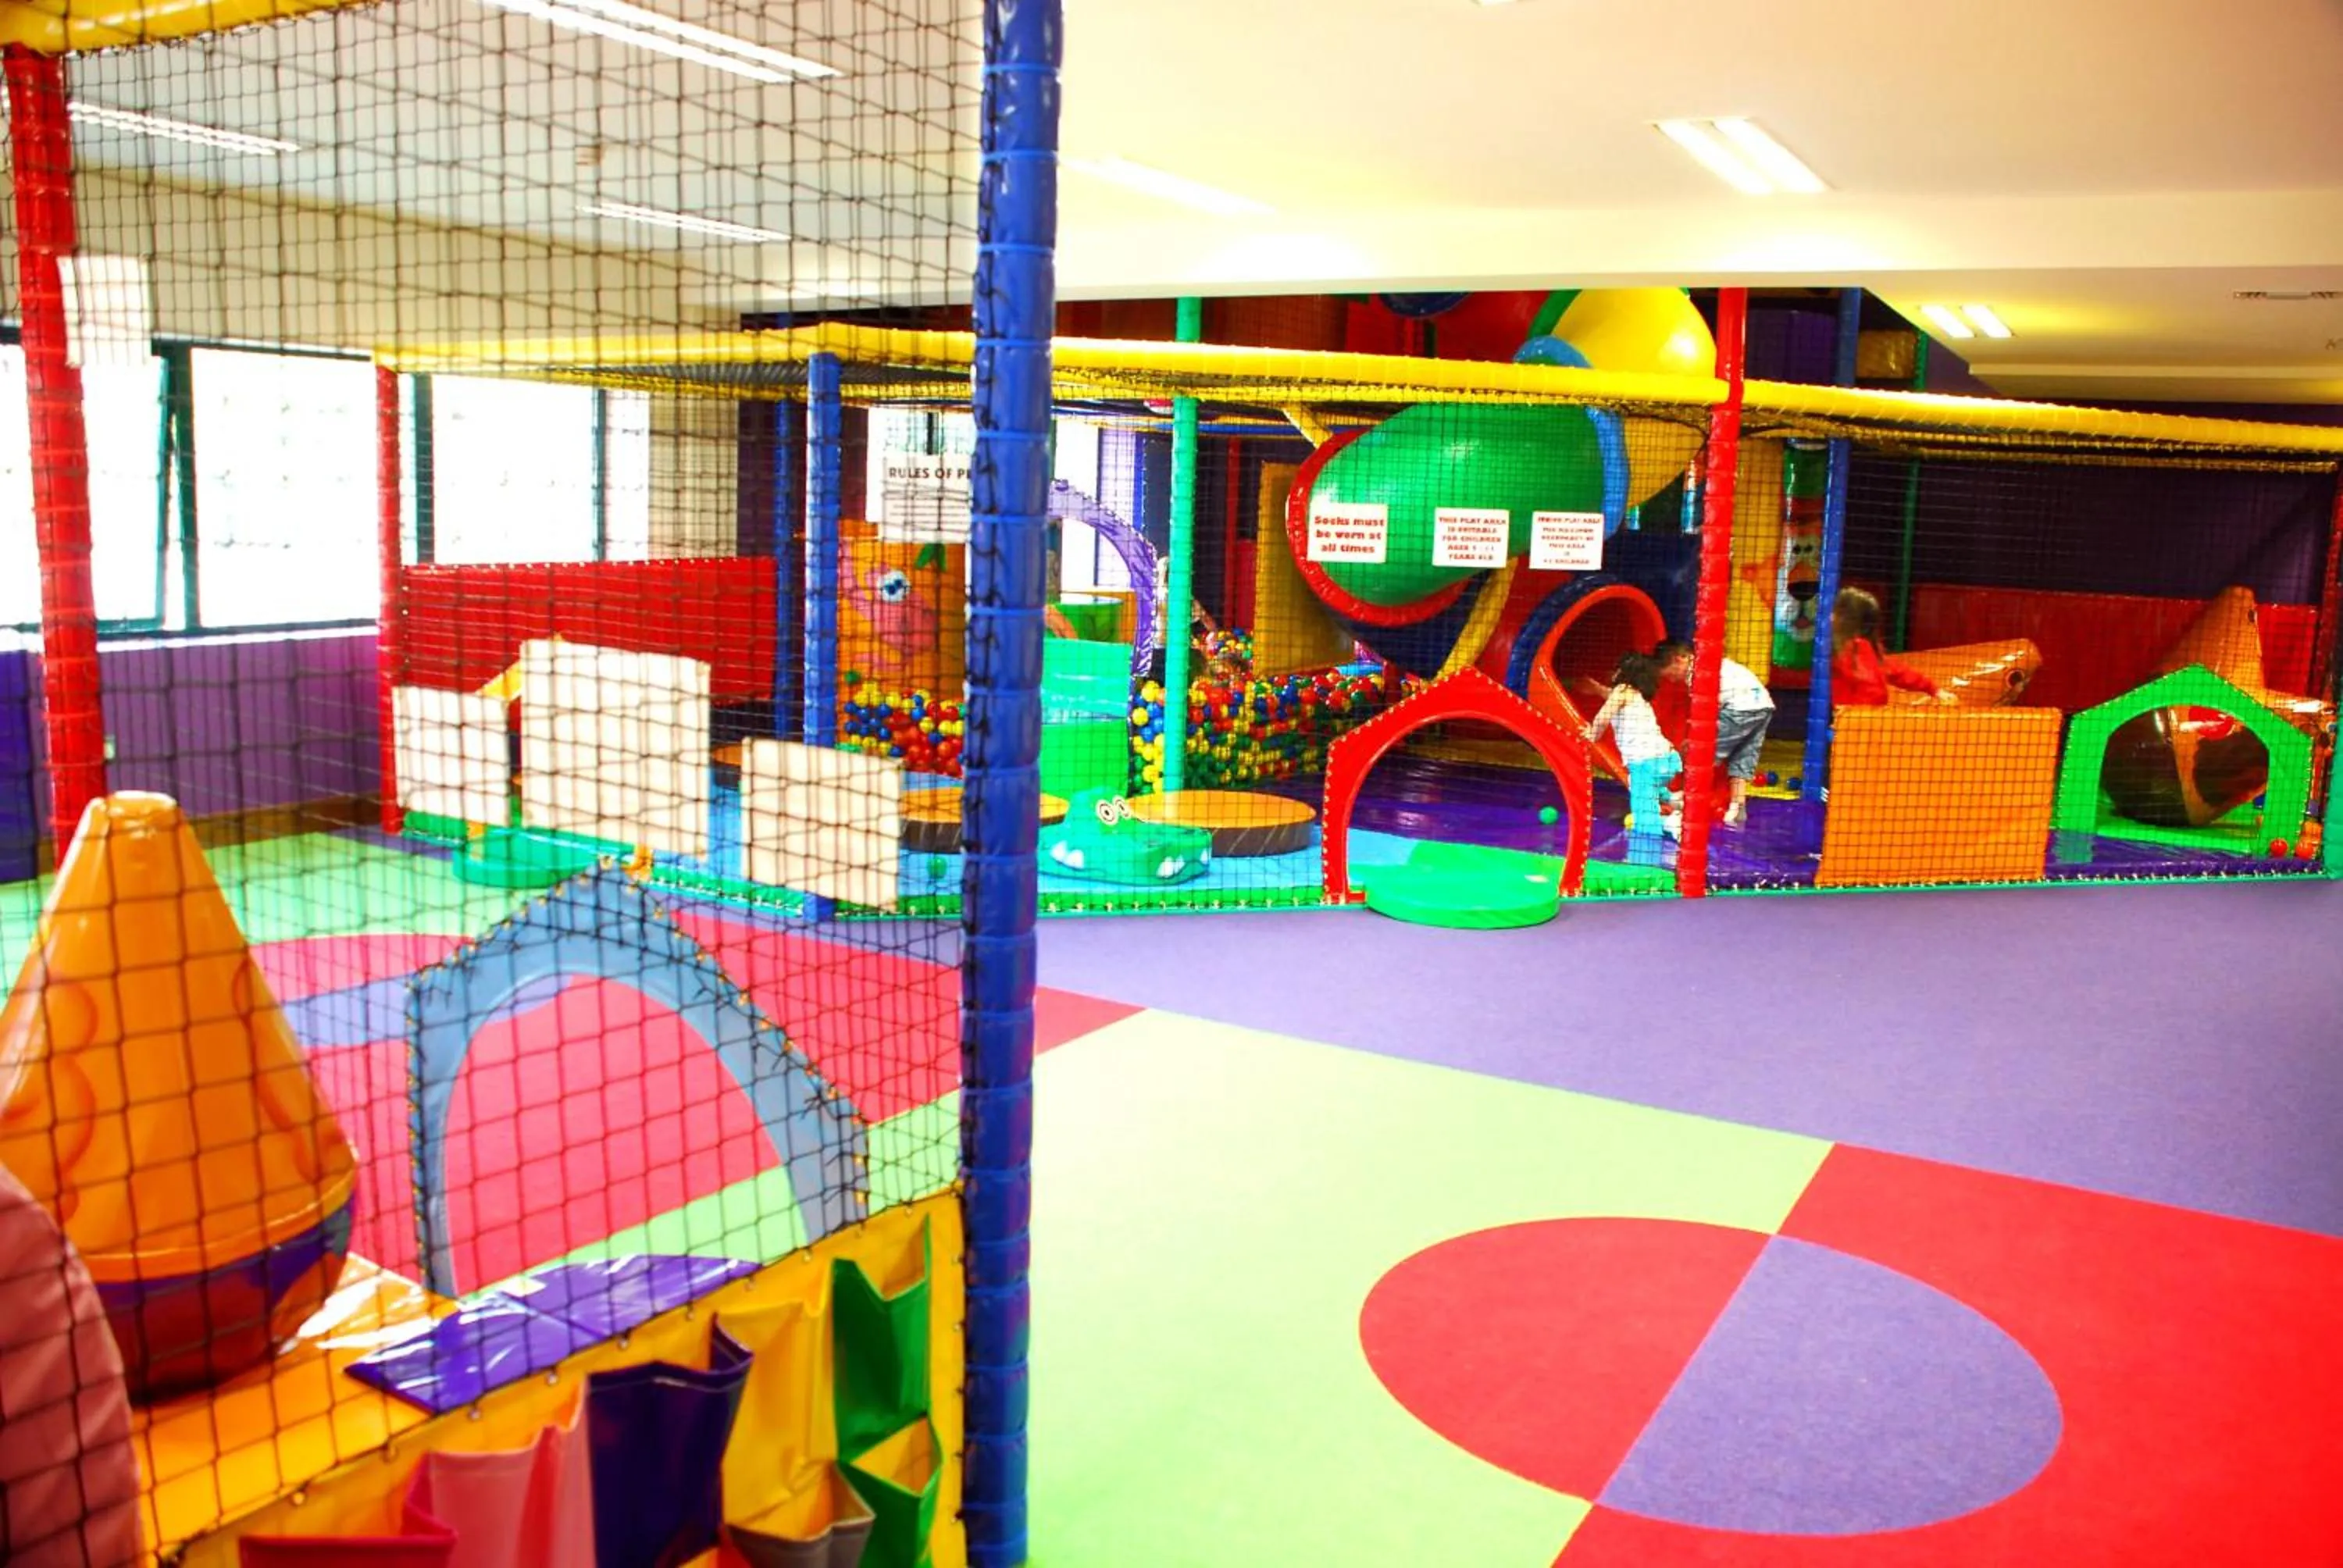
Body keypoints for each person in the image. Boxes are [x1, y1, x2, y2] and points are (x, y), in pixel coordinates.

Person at [1654, 639, 1774, 829]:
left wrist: (1694, 741)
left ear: (1679, 659)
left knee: (1703, 755)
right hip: (1763, 705)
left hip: (1739, 709)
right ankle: (1737, 808)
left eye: (1670, 674)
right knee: (1743, 758)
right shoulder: (1714, 661)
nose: (1671, 680)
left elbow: (1706, 712)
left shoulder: (1696, 674)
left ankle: (1688, 803)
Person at [1585, 651, 1681, 839]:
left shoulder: (1621, 690)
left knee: (1644, 824)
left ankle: (1672, 822)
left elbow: (1603, 718)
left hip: (1646, 764)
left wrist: (1592, 735)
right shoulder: (1636, 695)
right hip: (1667, 760)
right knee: (1640, 782)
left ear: (1622, 671)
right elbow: (1612, 697)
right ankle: (1675, 799)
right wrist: (1597, 689)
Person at [1830, 588, 1955, 708]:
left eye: (1834, 612)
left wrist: (1932, 689)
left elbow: (1897, 672)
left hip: (1846, 718)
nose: (1830, 617)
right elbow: (1898, 672)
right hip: (1870, 716)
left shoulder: (1838, 647)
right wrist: (1933, 689)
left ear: (1844, 619)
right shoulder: (1867, 647)